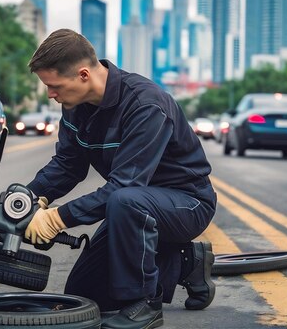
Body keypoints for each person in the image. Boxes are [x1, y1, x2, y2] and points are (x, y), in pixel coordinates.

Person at [24, 29, 217, 329]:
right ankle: (185, 263)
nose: (51, 94)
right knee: (83, 293)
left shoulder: (145, 104)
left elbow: (125, 186)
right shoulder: (75, 108)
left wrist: (55, 219)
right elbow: (67, 165)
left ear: (83, 75)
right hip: (133, 207)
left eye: (54, 86)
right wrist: (27, 199)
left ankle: (144, 303)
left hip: (188, 203)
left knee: (125, 200)